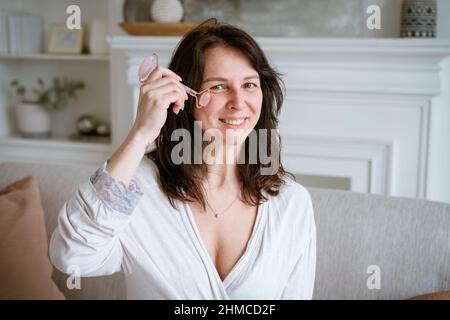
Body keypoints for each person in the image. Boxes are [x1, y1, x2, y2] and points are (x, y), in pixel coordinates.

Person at [49, 19, 316, 299]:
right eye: (218, 87)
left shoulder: (291, 204)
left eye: (249, 84)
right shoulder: (135, 188)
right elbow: (73, 257)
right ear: (186, 96)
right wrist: (141, 133)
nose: (239, 102)